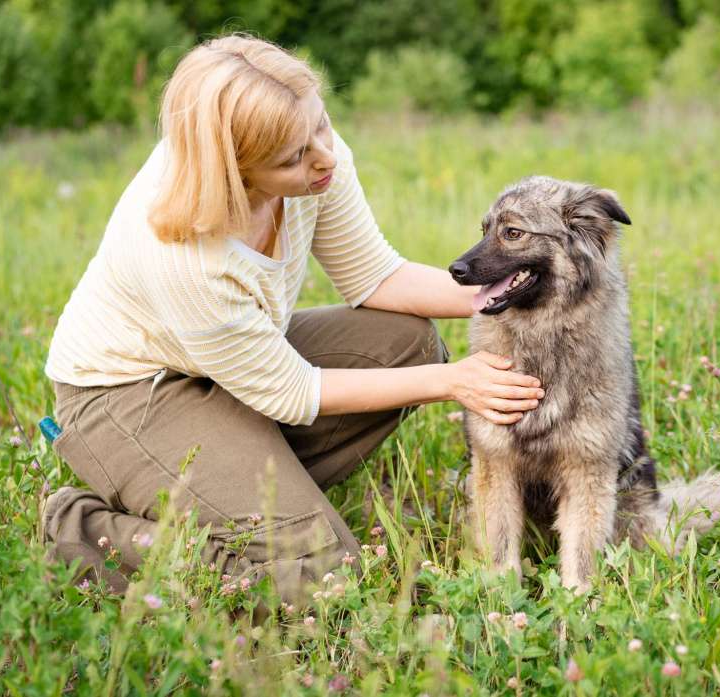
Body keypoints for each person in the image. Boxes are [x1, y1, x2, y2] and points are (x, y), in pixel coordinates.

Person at [40, 34, 544, 606]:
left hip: (234, 371)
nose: (325, 157)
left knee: (406, 344)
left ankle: (242, 496)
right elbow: (291, 392)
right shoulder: (181, 257)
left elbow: (374, 277)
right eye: (291, 159)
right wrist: (453, 383)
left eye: (322, 125)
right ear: (234, 170)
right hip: (129, 397)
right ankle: (82, 530)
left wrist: (508, 291)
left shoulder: (312, 153)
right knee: (323, 579)